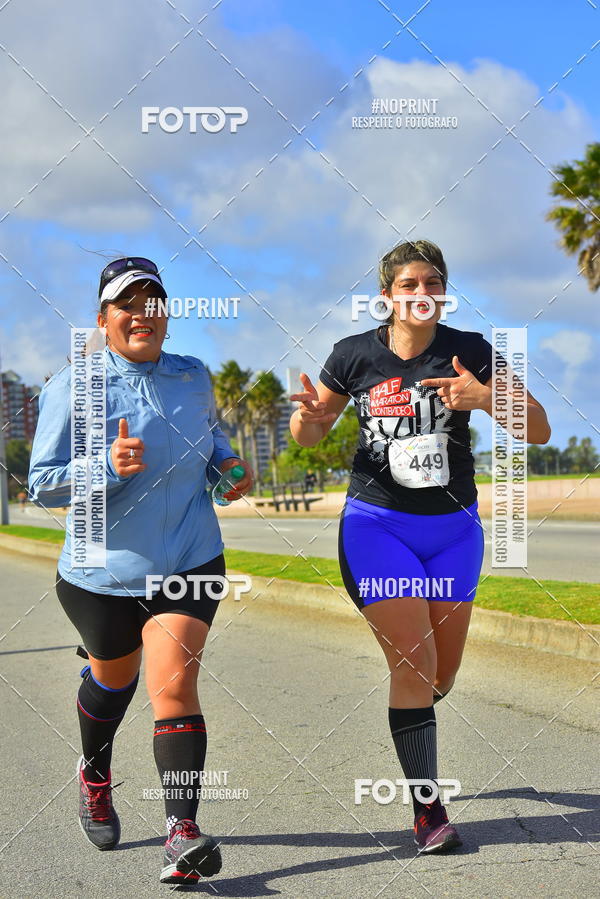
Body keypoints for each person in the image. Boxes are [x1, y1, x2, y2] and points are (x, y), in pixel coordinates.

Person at [289, 239, 550, 853]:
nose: (424, 293)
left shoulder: (471, 351)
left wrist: (485, 398)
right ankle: (428, 811)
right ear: (387, 296)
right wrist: (304, 418)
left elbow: (537, 428)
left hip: (454, 531)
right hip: (377, 526)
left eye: (434, 283)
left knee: (441, 675)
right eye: (410, 284)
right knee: (412, 662)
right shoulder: (352, 356)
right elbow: (309, 433)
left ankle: (417, 722)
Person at [28, 257, 254, 884]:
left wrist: (230, 472)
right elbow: (42, 486)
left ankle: (181, 834)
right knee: (113, 681)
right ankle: (95, 776)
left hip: (189, 557)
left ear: (167, 317)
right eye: (127, 305)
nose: (142, 315)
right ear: (103, 320)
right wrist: (103, 464)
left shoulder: (193, 378)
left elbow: (216, 450)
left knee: (174, 687)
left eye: (154, 303)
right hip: (102, 574)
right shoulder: (73, 386)